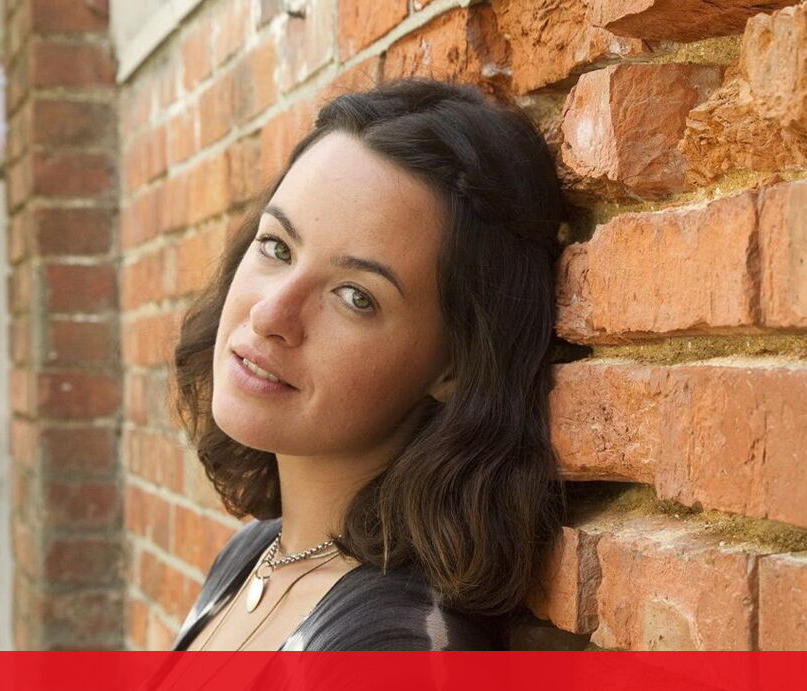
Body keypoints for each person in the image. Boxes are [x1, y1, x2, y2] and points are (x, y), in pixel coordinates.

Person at [165, 76, 568, 652]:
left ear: (454, 367)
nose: (271, 314)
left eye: (356, 296)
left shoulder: (396, 655)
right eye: (277, 247)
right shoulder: (253, 555)